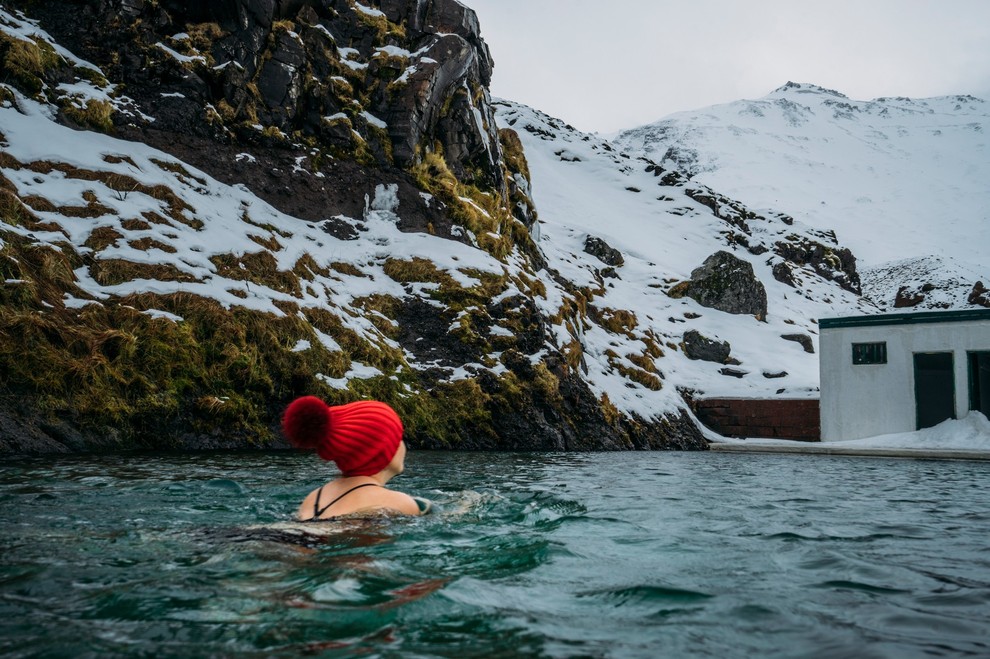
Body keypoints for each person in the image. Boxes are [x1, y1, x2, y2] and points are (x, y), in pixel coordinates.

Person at [282, 396, 428, 521]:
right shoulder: (399, 502)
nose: (403, 444)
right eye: (399, 437)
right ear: (382, 451)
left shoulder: (313, 498)